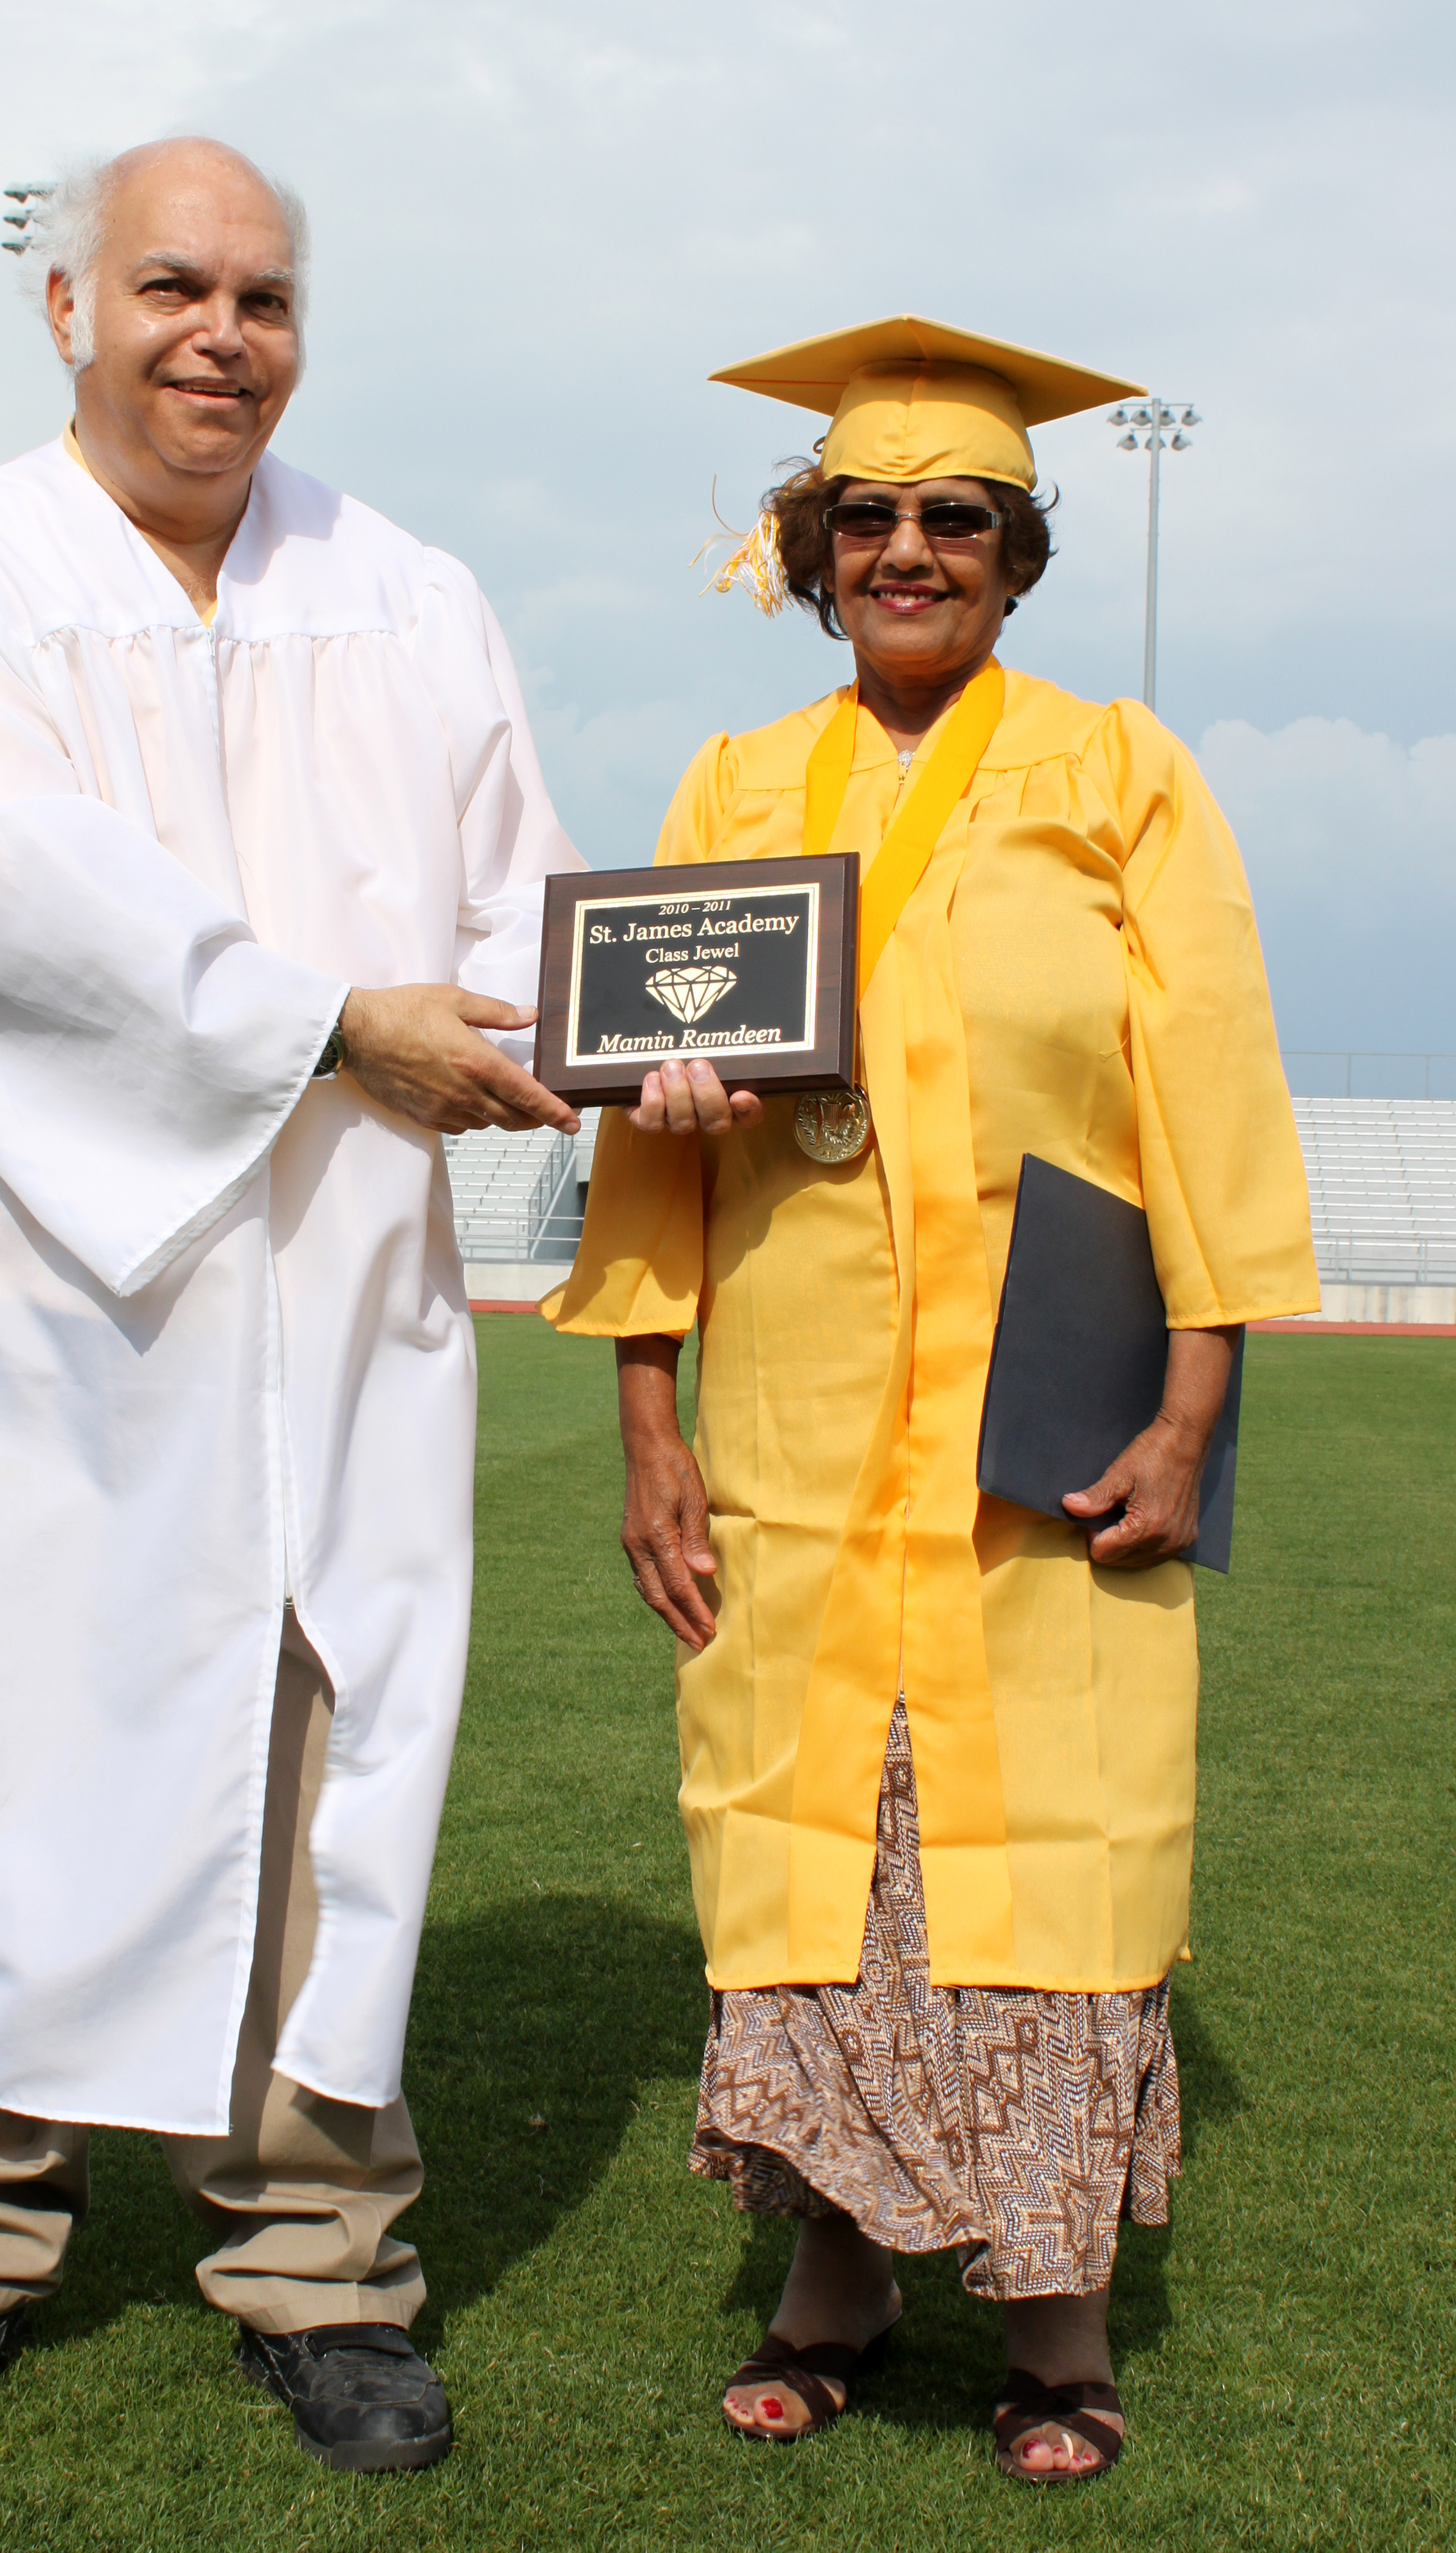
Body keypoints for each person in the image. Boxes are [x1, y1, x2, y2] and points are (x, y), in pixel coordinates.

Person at [0, 138, 581, 2470]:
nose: (221, 333)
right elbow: (9, 910)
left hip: (334, 1299)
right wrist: (335, 1023)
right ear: (66, 311)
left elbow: (520, 906)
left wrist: (636, 1035)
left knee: (321, 1756)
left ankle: (318, 2262)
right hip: (53, 1305)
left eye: (264, 294)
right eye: (170, 287)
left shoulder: (406, 594)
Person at [547, 315, 1317, 2484]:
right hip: (797, 1428)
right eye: (867, 515)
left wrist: (1192, 1409)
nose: (910, 547)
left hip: (1040, 1422)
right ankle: (835, 2280)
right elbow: (648, 1136)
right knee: (823, 1854)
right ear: (811, 548)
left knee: (1037, 1858)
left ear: (1016, 548)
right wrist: (649, 1423)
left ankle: (1056, 2320)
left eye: (955, 516)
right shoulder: (734, 788)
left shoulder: (1123, 771)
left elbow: (1213, 1099)